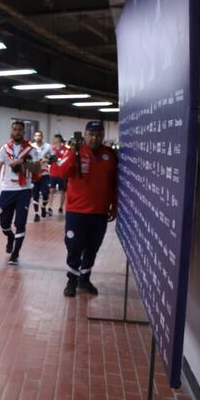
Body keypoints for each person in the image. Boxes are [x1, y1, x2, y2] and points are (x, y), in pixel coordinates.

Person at [50, 121, 117, 297]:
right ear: (85, 135)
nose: (94, 138)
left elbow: (115, 184)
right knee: (74, 246)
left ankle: (84, 279)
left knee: (92, 247)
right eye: (91, 134)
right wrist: (73, 153)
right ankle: (71, 279)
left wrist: (114, 205)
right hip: (76, 211)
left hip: (99, 212)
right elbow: (59, 172)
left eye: (98, 134)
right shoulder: (74, 152)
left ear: (103, 135)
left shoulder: (110, 156)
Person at [0, 121, 41, 265]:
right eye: (15, 129)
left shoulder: (31, 150)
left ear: (23, 132)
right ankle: (10, 237)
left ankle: (15, 253)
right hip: (7, 190)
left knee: (20, 223)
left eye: (20, 130)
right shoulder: (4, 149)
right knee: (4, 223)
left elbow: (37, 169)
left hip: (24, 190)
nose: (17, 132)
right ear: (11, 131)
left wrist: (22, 163)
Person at [29, 130, 54, 222]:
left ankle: (43, 207)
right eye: (36, 136)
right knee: (35, 194)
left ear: (42, 137)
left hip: (44, 174)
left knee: (45, 193)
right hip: (34, 174)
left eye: (39, 135)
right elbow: (27, 158)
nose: (38, 137)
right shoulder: (31, 146)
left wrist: (47, 159)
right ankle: (36, 214)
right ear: (34, 137)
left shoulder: (48, 146)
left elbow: (53, 158)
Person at [48, 134, 69, 215]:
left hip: (62, 174)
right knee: (51, 190)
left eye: (55, 139)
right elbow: (49, 159)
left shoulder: (66, 149)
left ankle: (61, 207)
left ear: (59, 140)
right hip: (53, 173)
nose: (54, 140)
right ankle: (50, 207)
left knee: (63, 191)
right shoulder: (52, 150)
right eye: (54, 139)